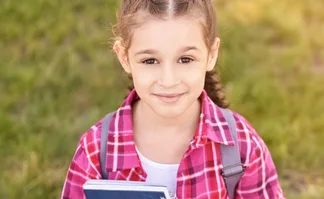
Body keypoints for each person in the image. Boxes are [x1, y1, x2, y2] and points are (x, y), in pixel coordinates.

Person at [60, 0, 285, 198]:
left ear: (212, 54)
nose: (168, 81)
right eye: (150, 61)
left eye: (185, 59)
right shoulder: (95, 152)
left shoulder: (242, 146)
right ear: (124, 57)